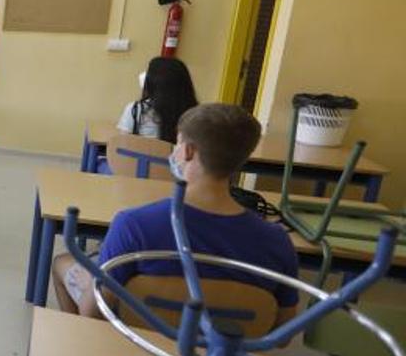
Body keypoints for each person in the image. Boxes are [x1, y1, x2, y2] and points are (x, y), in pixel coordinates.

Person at [55, 103, 299, 328]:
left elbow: (92, 311)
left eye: (178, 144)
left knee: (62, 263)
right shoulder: (277, 242)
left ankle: (82, 349)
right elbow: (282, 331)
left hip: (139, 348)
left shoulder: (134, 225)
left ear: (189, 151)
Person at [116, 56, 198, 144]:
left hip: (139, 157)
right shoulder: (195, 115)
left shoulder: (135, 109)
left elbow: (122, 146)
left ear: (151, 81)